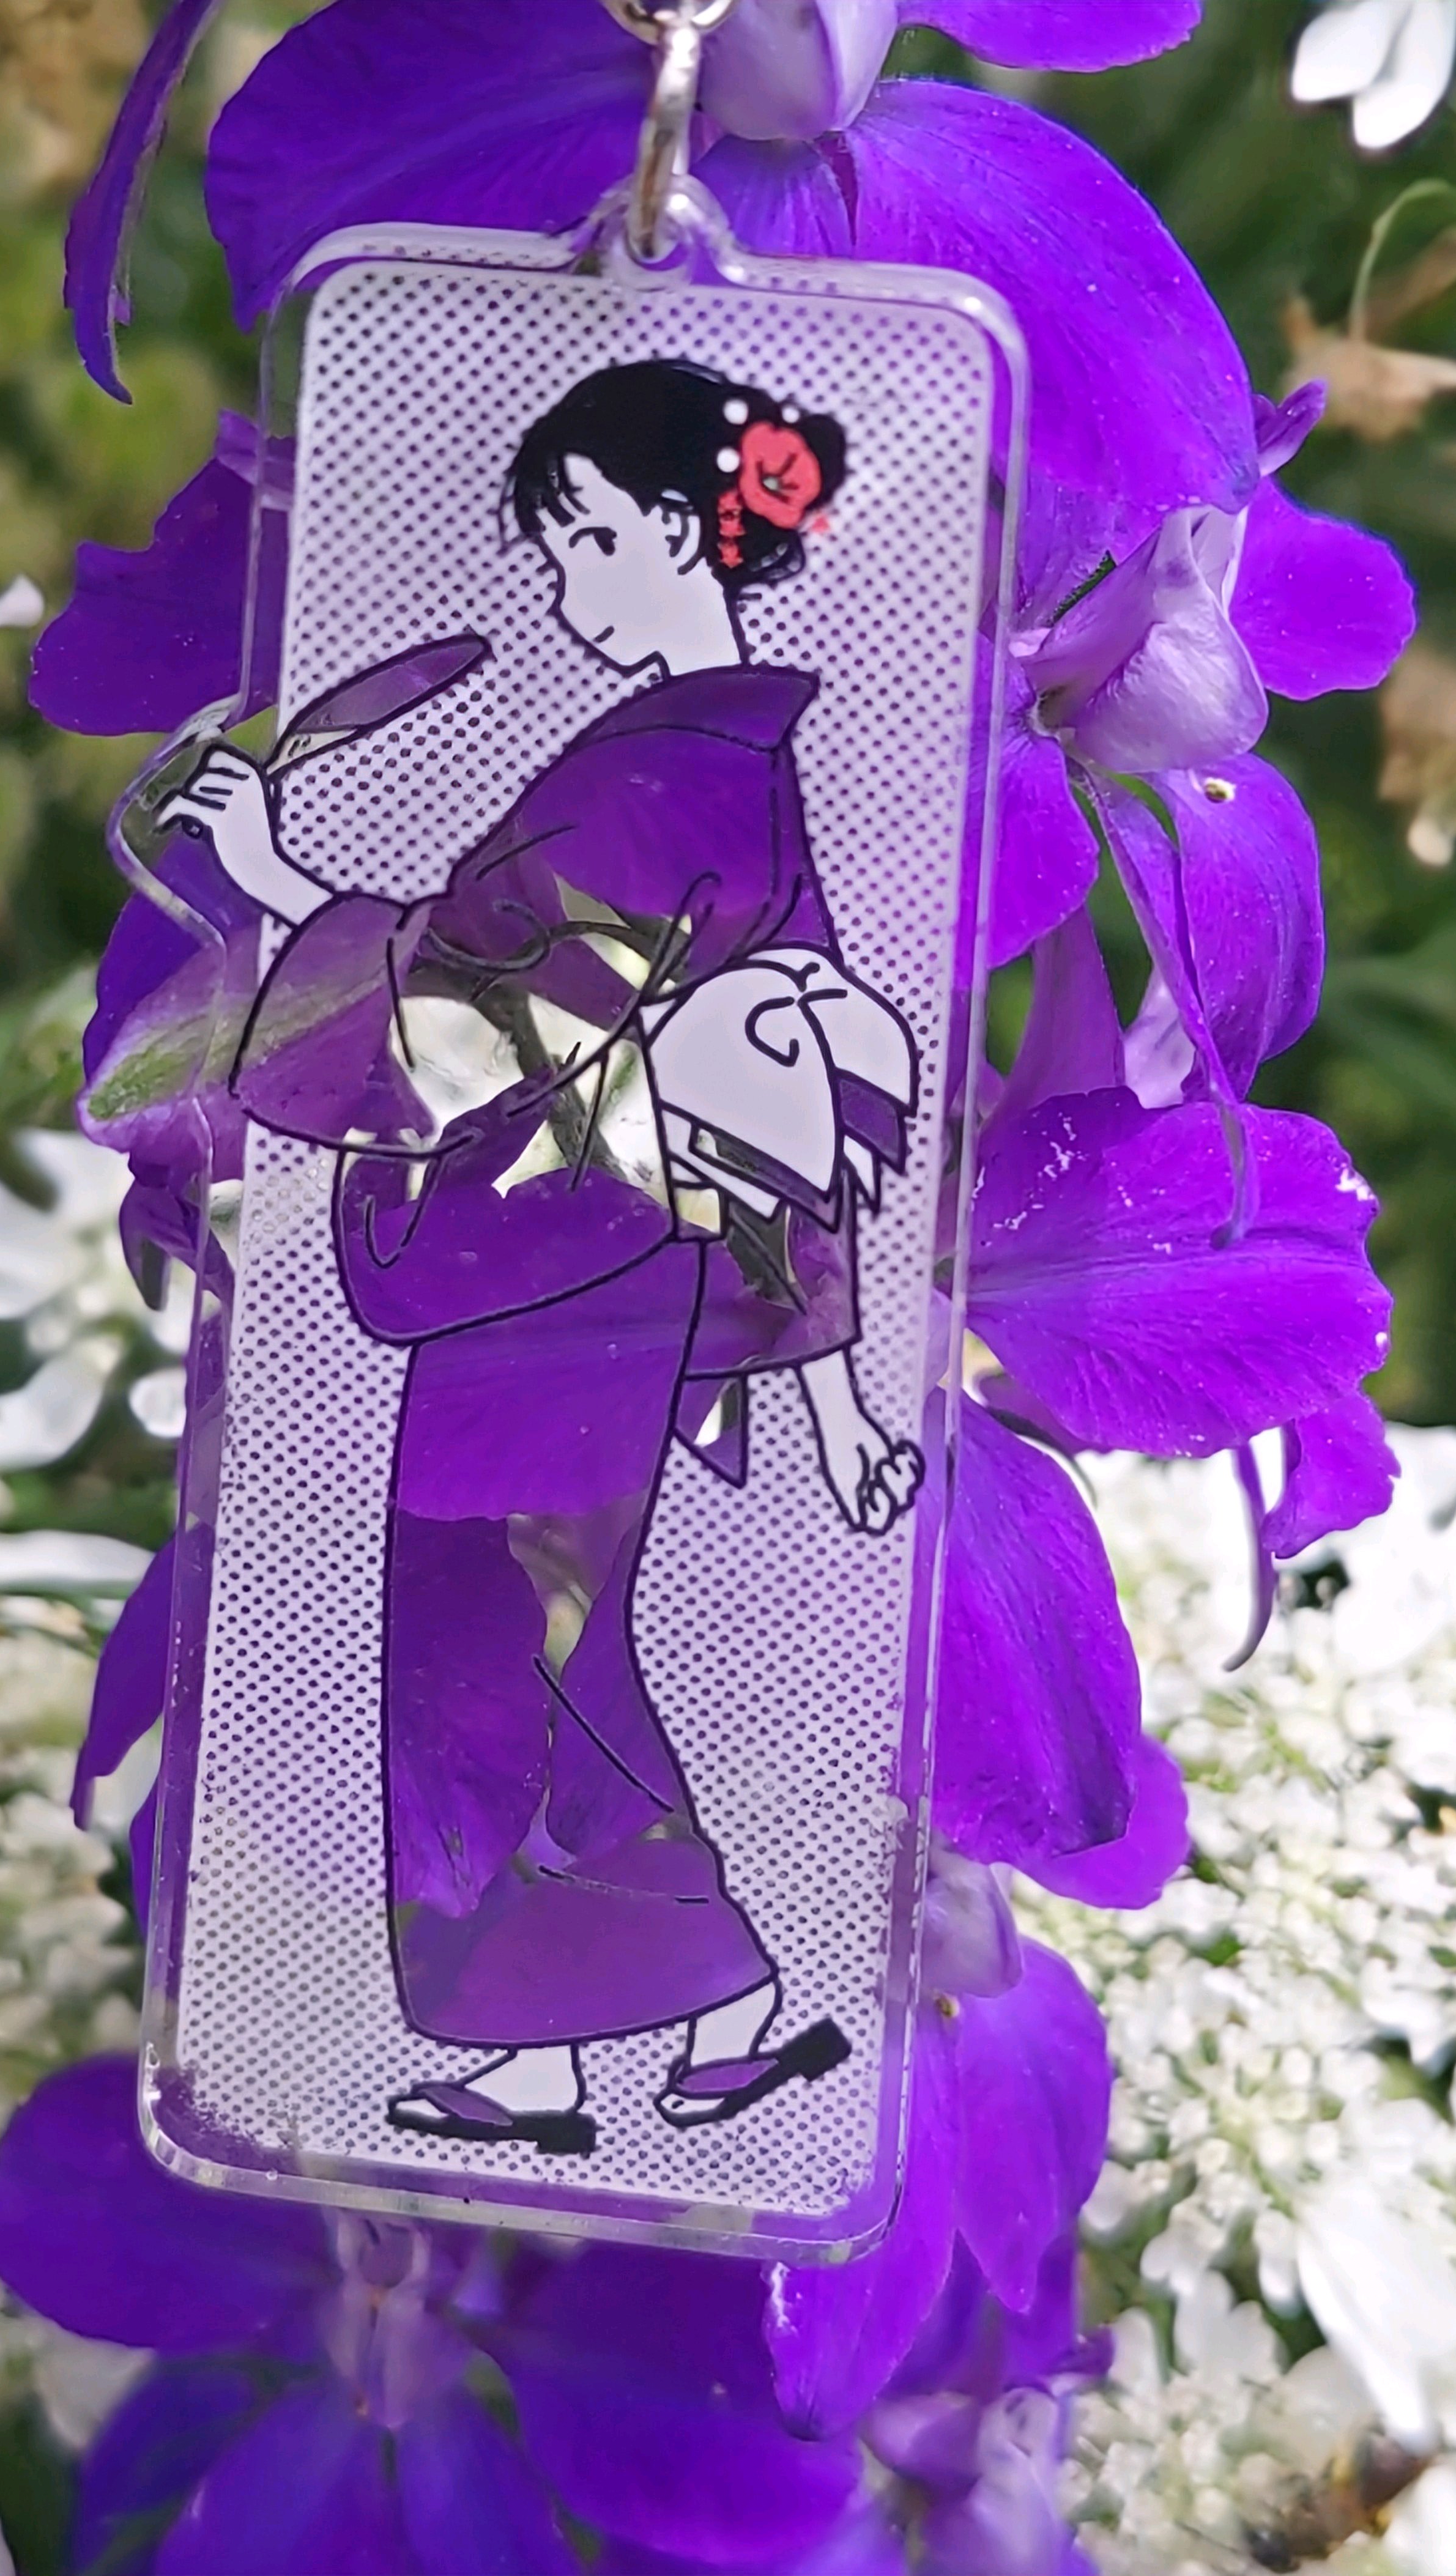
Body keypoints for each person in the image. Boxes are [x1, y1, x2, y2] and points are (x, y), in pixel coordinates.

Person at [160, 358, 923, 2155]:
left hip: (552, 1286)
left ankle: (585, 2042)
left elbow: (488, 1013)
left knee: (495, 1643)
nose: (567, 581)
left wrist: (278, 877)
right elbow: (768, 1077)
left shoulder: (670, 772)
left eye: (579, 537)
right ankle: (682, 2023)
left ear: (671, 526)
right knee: (557, 1647)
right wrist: (830, 1389)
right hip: (596, 1277)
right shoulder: (728, 762)